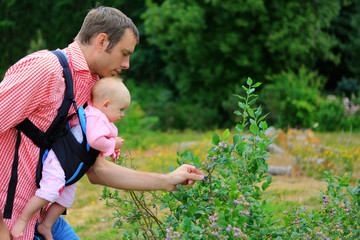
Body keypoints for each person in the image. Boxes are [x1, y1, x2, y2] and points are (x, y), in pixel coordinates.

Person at [0, 6, 204, 240]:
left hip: (43, 219)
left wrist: (166, 181)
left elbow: (96, 170)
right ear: (102, 41)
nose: (127, 64)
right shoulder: (44, 69)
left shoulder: (91, 89)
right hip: (10, 221)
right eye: (124, 53)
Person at [11, 77, 130, 239]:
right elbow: (95, 140)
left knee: (66, 198)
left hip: (70, 164)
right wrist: (112, 144)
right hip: (59, 160)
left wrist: (111, 150)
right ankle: (23, 219)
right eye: (121, 109)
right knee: (51, 190)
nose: (122, 115)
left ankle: (46, 225)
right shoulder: (95, 117)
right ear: (106, 104)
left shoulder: (101, 119)